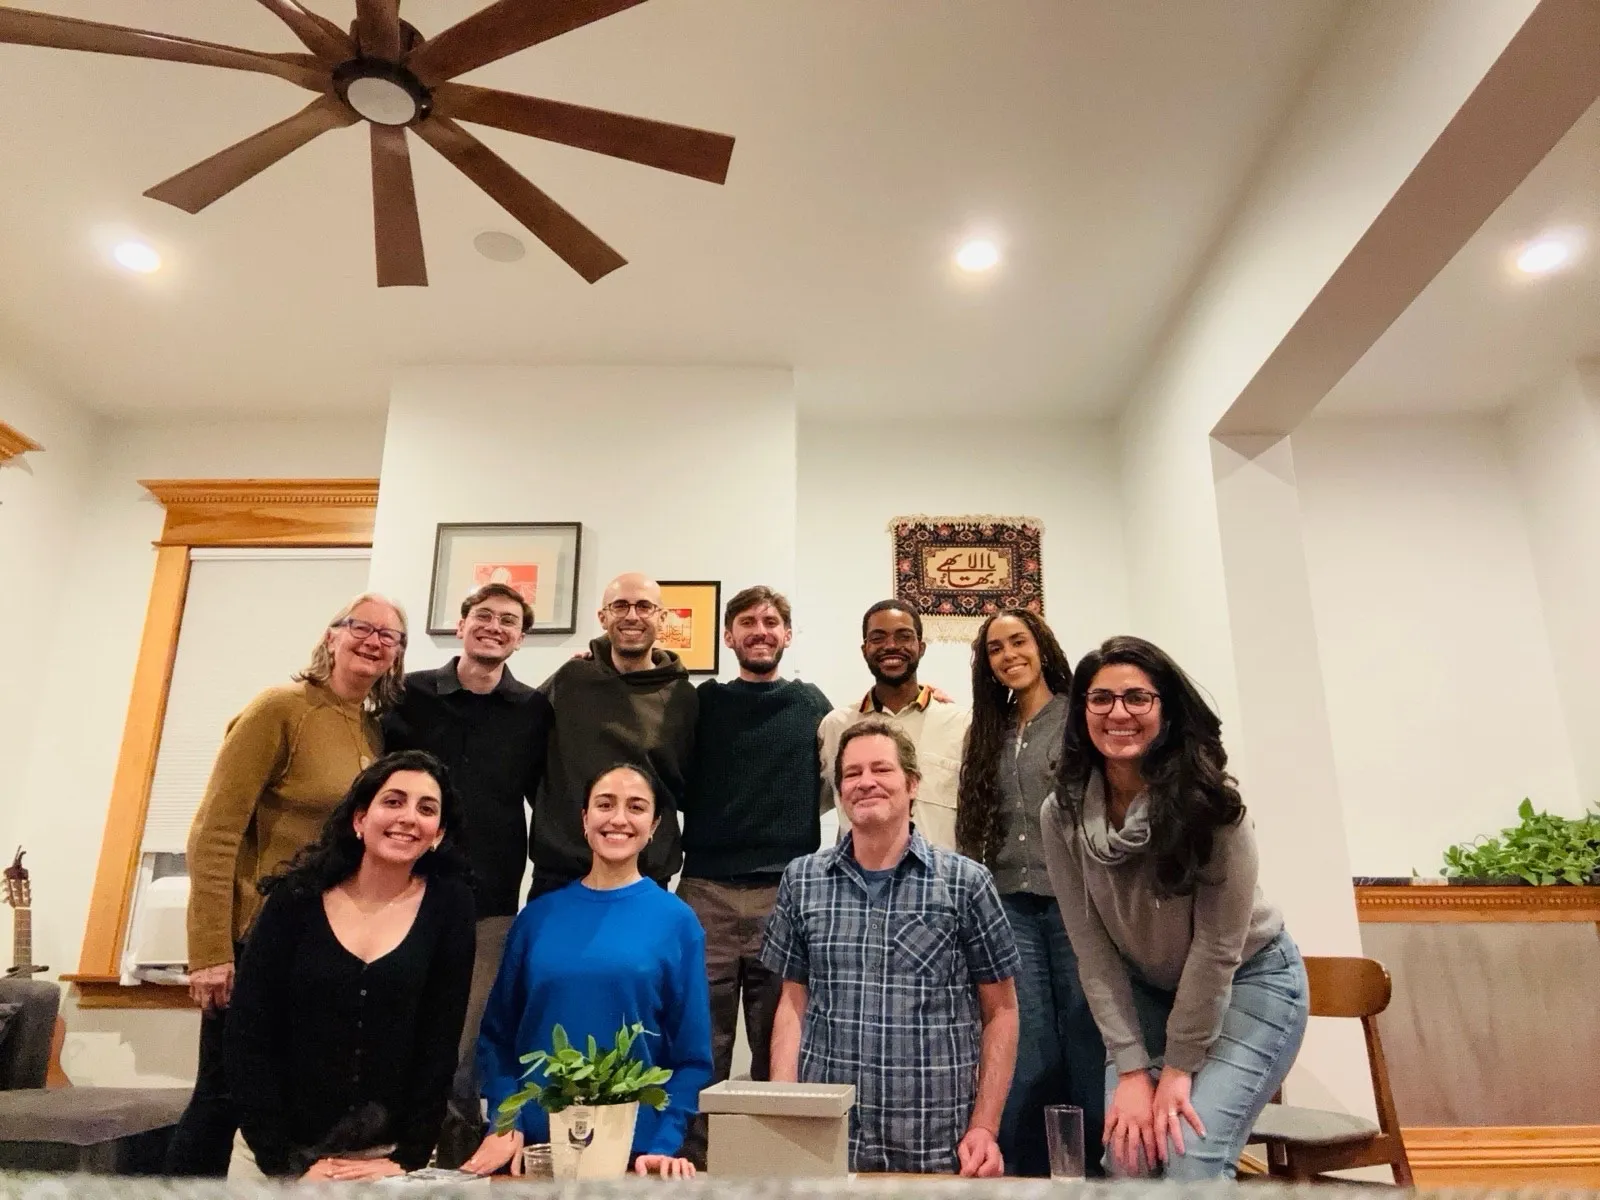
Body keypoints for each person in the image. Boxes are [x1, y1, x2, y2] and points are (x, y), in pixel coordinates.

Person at [1040, 635, 1309, 1180]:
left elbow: (1217, 949)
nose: (1119, 712)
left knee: (1190, 1161)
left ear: (1166, 709)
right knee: (1128, 1157)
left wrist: (1179, 1067)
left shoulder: (1213, 806)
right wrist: (1134, 1069)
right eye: (1101, 699)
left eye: (1138, 698)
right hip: (1147, 992)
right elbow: (1091, 950)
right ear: (1081, 712)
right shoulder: (1061, 812)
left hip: (1250, 983)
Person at [166, 593, 409, 1177]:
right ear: (332, 636)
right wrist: (209, 953)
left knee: (284, 1099)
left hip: (319, 940)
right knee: (222, 1096)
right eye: (362, 628)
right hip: (254, 936)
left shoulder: (374, 733)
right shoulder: (279, 709)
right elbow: (214, 832)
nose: (373, 641)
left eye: (389, 636)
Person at [763, 718, 1020, 1176]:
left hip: (936, 1145)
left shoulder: (965, 883)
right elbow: (792, 1001)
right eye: (852, 773)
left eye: (881, 769)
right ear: (839, 791)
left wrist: (984, 1127)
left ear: (912, 783)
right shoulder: (801, 880)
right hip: (829, 1142)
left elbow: (1001, 1012)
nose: (866, 783)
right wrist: (787, 1106)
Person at [225, 750, 475, 1180]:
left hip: (380, 1164)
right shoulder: (295, 899)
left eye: (426, 808)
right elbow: (248, 1033)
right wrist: (284, 1165)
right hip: (271, 1159)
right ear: (360, 819)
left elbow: (439, 1042)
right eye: (393, 801)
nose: (409, 817)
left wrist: (406, 1161)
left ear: (438, 833)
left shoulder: (450, 908)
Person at [465, 763, 713, 1178]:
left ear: (654, 826)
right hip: (534, 1153)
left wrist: (664, 1144)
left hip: (635, 1157)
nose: (618, 818)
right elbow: (496, 1039)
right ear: (585, 820)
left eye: (636, 807)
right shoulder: (537, 918)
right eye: (605, 804)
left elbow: (692, 1059)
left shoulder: (677, 922)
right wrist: (505, 1124)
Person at [382, 583, 555, 1166]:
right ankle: (390, 1156)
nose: (495, 627)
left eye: (509, 621)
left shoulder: (533, 709)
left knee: (465, 1046)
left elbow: (545, 794)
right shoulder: (410, 695)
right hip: (404, 890)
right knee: (398, 1025)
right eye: (484, 616)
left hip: (491, 897)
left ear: (520, 638)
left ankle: (454, 1165)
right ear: (461, 625)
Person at [675, 586, 832, 1164]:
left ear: (787, 635)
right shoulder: (702, 702)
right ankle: (691, 1158)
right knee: (701, 1041)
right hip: (705, 892)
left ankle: (768, 1160)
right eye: (747, 622)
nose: (760, 630)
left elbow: (855, 745)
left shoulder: (812, 702)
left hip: (785, 894)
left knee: (779, 1043)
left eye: (772, 622)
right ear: (729, 636)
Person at [956, 609, 1106, 1176]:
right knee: (1029, 1037)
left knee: (1085, 1028)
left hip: (1077, 903)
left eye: (1018, 642)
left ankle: (1100, 1170)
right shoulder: (989, 728)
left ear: (1041, 646)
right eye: (995, 649)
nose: (1008, 655)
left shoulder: (1077, 717)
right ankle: (1020, 1169)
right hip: (1009, 902)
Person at [530, 573, 697, 897]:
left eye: (644, 606)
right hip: (559, 876)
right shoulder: (571, 679)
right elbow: (524, 747)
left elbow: (687, 782)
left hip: (644, 877)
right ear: (603, 617)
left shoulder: (682, 697)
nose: (632, 616)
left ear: (662, 618)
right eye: (620, 606)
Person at [818, 600, 969, 849]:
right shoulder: (836, 727)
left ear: (921, 647)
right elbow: (807, 805)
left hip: (939, 882)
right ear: (864, 649)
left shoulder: (961, 724)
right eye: (878, 638)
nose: (891, 646)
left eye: (904, 636)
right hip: (857, 883)